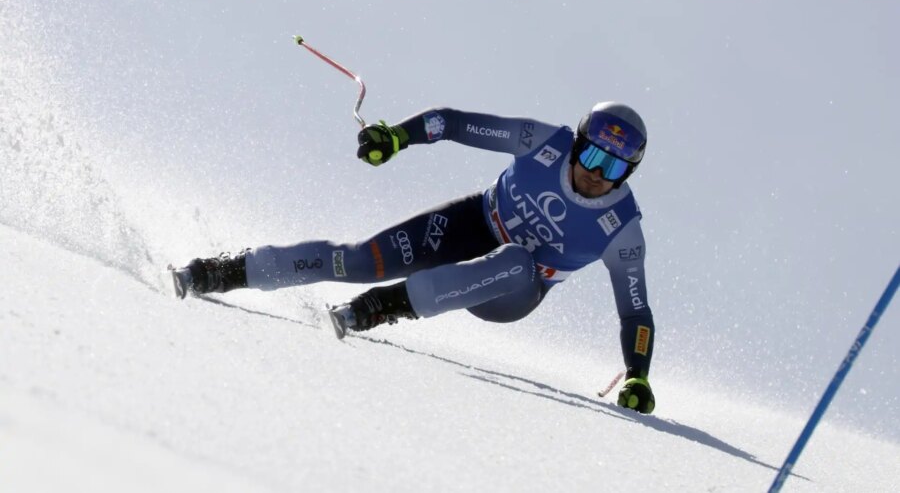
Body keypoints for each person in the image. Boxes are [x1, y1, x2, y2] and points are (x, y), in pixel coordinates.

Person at [171, 102, 657, 414]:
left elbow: (635, 310)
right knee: (359, 259)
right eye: (593, 157)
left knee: (516, 261)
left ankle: (380, 308)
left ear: (629, 172)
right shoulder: (541, 142)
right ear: (575, 143)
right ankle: (223, 272)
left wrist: (637, 374)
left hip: (511, 291)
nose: (597, 175)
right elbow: (453, 122)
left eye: (614, 168)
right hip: (471, 224)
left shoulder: (622, 228)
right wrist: (397, 136)